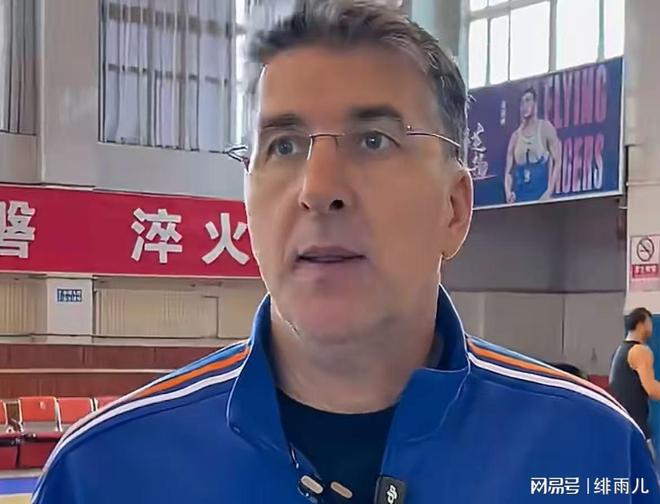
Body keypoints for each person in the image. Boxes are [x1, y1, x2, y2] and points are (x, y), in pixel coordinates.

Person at [34, 1, 658, 503]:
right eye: (283, 145)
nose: (319, 189)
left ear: (453, 209)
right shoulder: (103, 473)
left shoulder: (592, 451)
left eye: (375, 140)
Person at [610, 307, 659, 449]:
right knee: (646, 463)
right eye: (649, 323)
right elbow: (652, 389)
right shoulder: (640, 351)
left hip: (620, 423)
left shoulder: (620, 351)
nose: (651, 328)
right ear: (642, 324)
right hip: (635, 426)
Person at [504, 87, 561, 204]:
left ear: (535, 104)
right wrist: (508, 192)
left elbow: (557, 162)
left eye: (528, 100)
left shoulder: (545, 129)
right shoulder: (515, 137)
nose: (525, 105)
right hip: (520, 199)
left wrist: (549, 192)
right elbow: (508, 172)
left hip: (541, 198)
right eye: (522, 103)